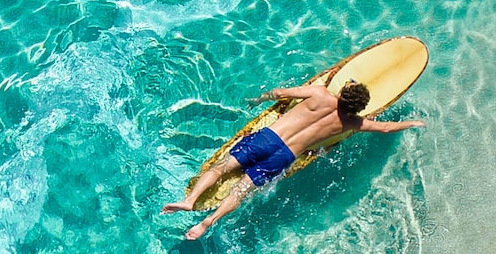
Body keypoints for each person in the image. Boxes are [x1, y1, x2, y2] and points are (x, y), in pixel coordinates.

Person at [162, 75, 425, 242]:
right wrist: (413, 122)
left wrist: (260, 98)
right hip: (287, 155)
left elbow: (279, 93)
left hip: (269, 137)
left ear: (343, 92)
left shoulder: (319, 94)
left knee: (223, 168)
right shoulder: (353, 123)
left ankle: (189, 200)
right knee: (242, 189)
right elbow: (387, 127)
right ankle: (209, 221)